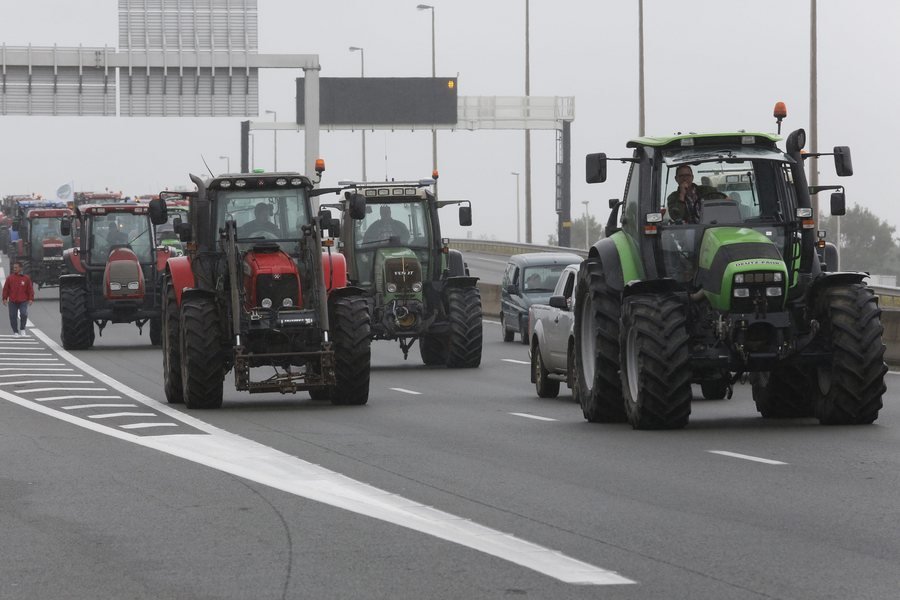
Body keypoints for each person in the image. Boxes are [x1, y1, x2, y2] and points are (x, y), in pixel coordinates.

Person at [2, 261, 34, 337]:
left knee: (23, 314)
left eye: (16, 267)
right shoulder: (10, 278)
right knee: (12, 316)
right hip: (12, 301)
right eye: (14, 267)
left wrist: (31, 299)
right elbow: (5, 289)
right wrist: (4, 298)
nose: (14, 269)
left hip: (23, 301)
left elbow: (30, 289)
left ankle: (22, 329)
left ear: (20, 268)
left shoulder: (26, 278)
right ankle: (15, 332)